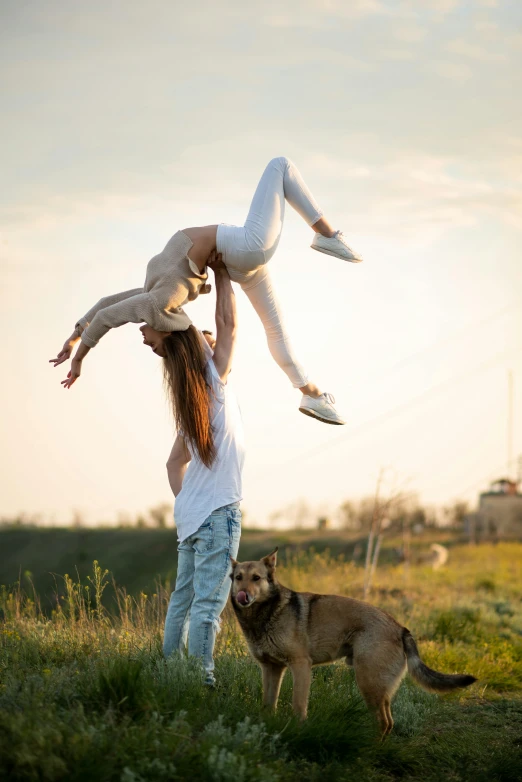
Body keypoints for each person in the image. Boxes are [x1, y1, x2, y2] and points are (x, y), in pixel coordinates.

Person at [50, 156, 363, 425]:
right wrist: (79, 360)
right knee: (280, 166)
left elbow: (106, 303)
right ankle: (328, 235)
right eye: (156, 347)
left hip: (236, 263)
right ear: (166, 333)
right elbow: (107, 317)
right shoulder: (157, 306)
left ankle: (312, 395)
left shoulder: (154, 298)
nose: (146, 343)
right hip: (240, 248)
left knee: (276, 332)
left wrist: (76, 333)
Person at [162, 253, 244, 686]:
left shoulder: (192, 401)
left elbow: (175, 463)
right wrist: (224, 273)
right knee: (207, 604)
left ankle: (170, 670)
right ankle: (200, 679)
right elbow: (228, 325)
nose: (218, 343)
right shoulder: (212, 381)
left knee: (182, 599)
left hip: (194, 515)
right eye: (209, 343)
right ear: (203, 354)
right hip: (216, 514)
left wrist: (188, 501)